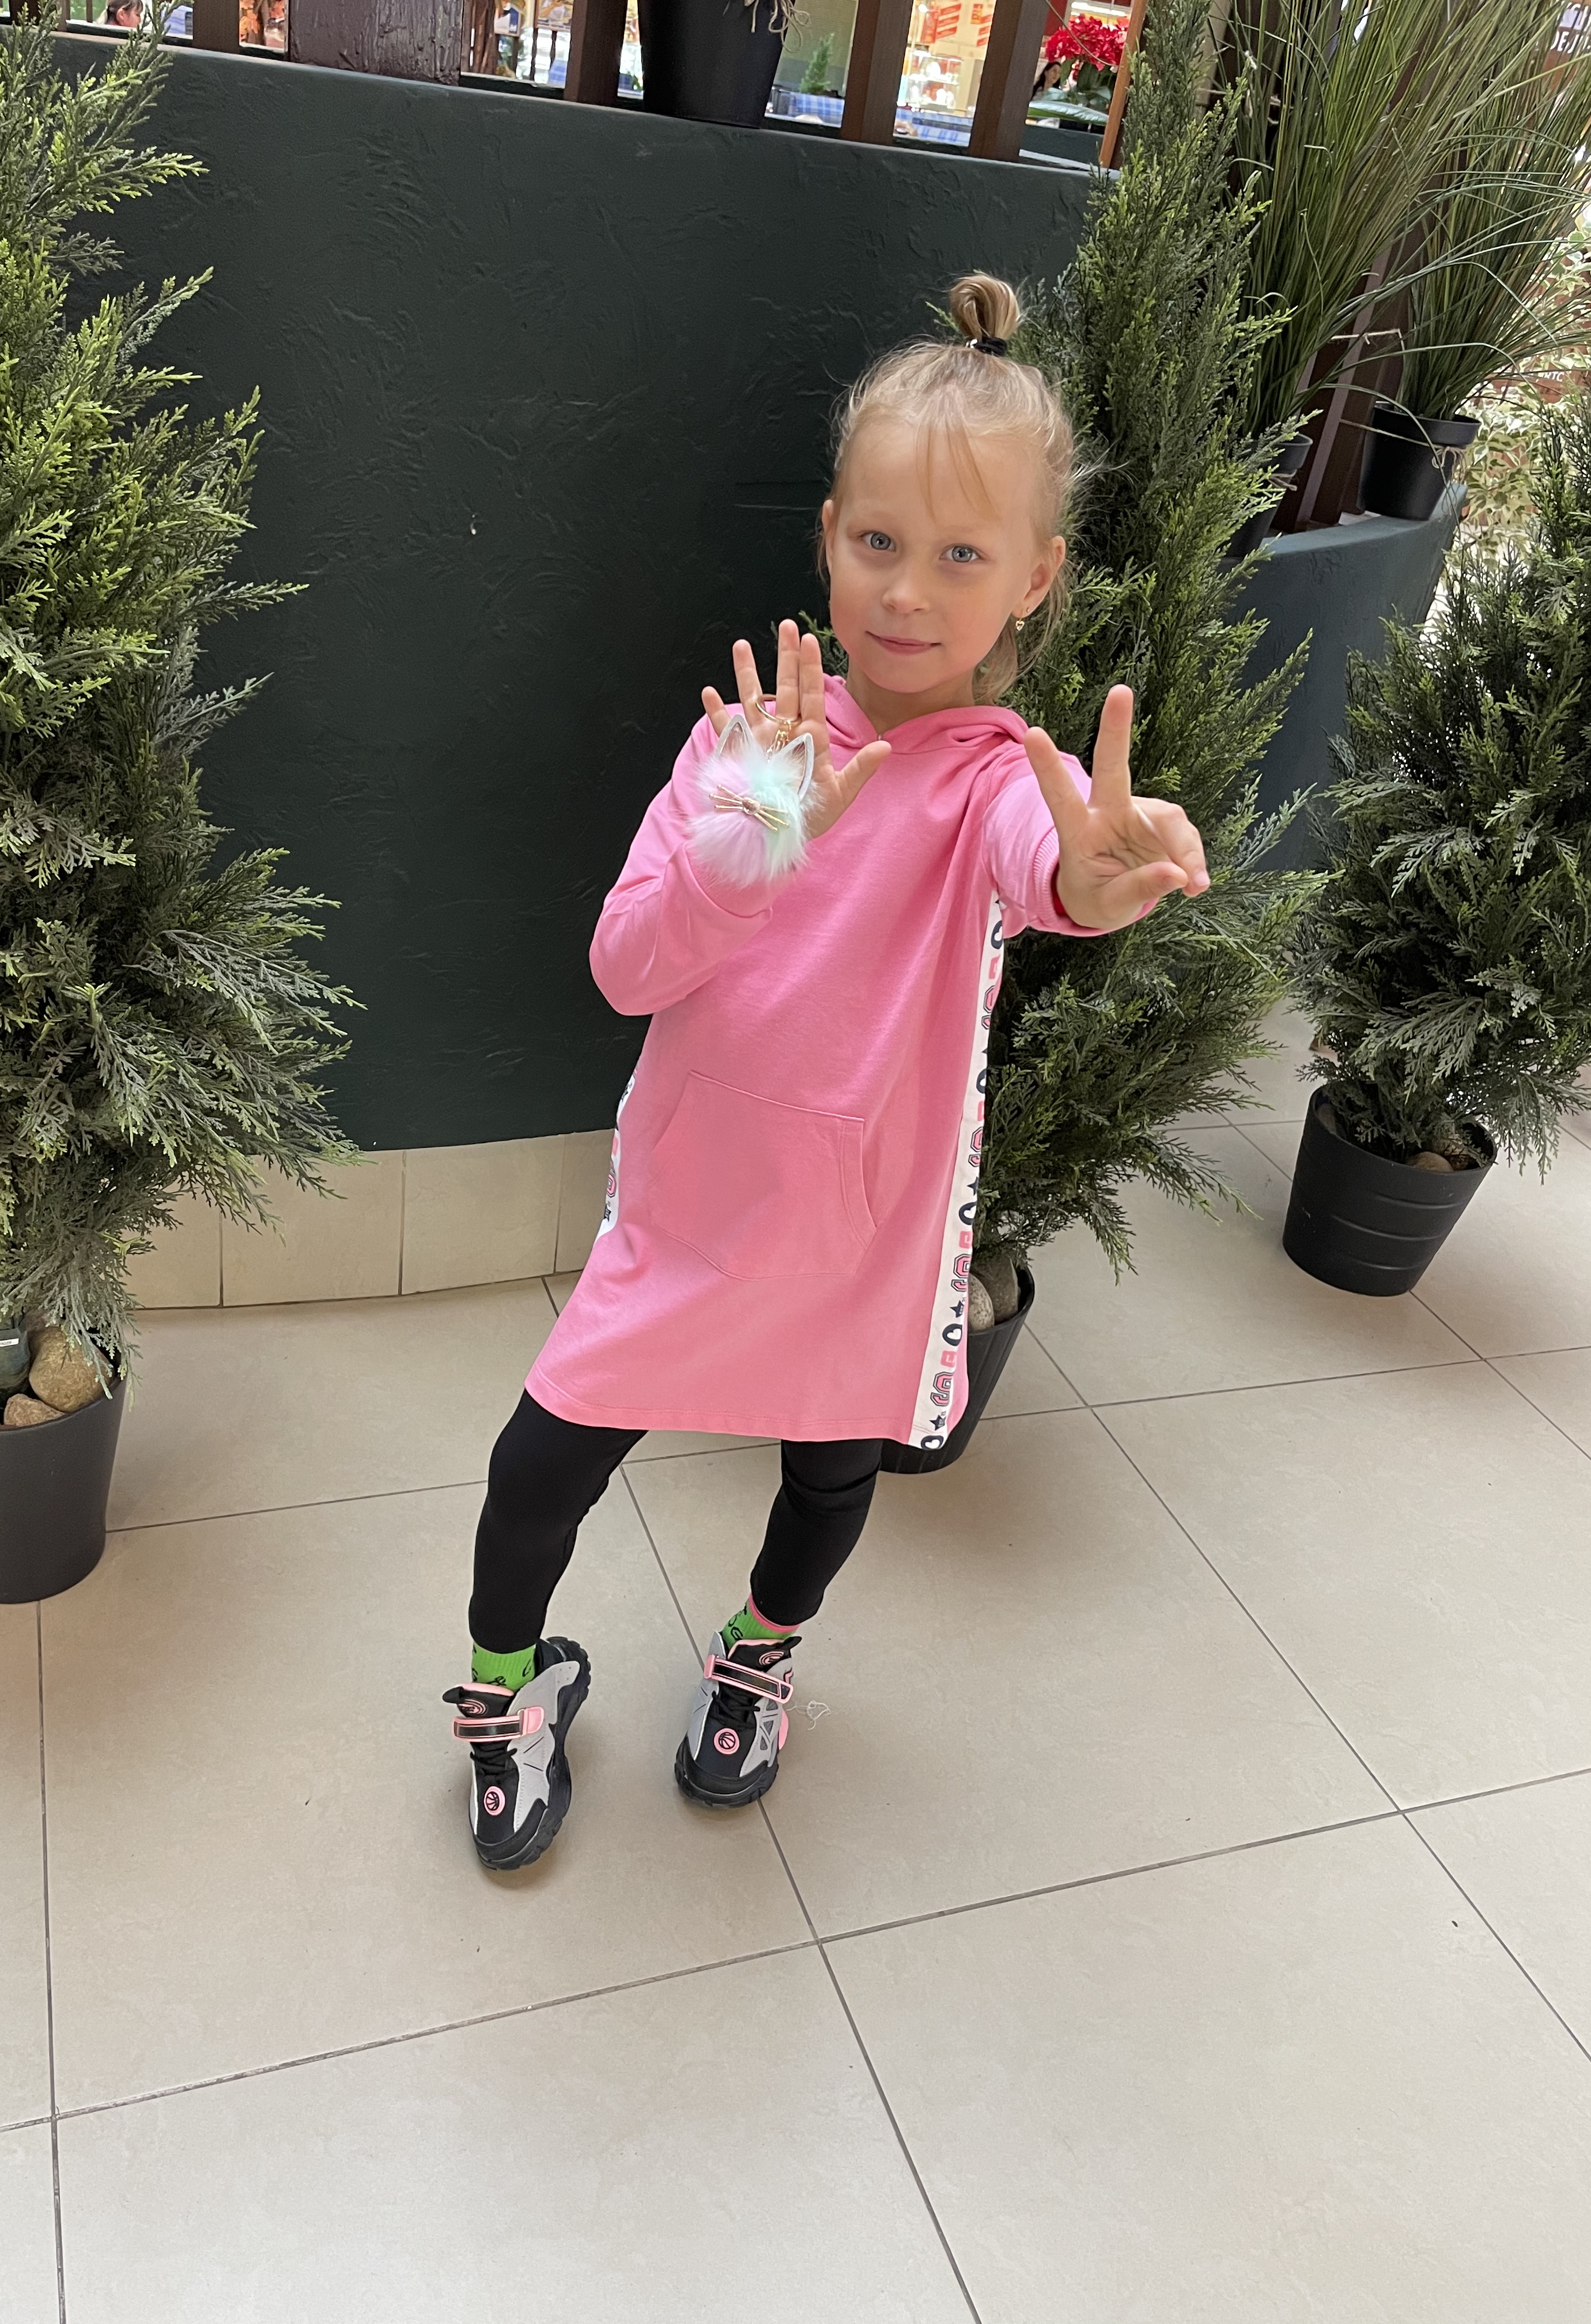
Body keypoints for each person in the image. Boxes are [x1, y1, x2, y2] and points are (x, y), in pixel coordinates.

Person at [445, 273, 1210, 1872]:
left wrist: (1104, 875)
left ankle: (759, 1654)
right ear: (826, 537)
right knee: (536, 1470)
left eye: (961, 556)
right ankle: (510, 1689)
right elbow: (626, 970)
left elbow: (1048, 866)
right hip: (694, 1212)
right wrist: (756, 837)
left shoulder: (1006, 783)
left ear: (1036, 578)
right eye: (878, 540)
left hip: (865, 1235)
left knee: (831, 1475)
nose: (909, 592)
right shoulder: (745, 750)